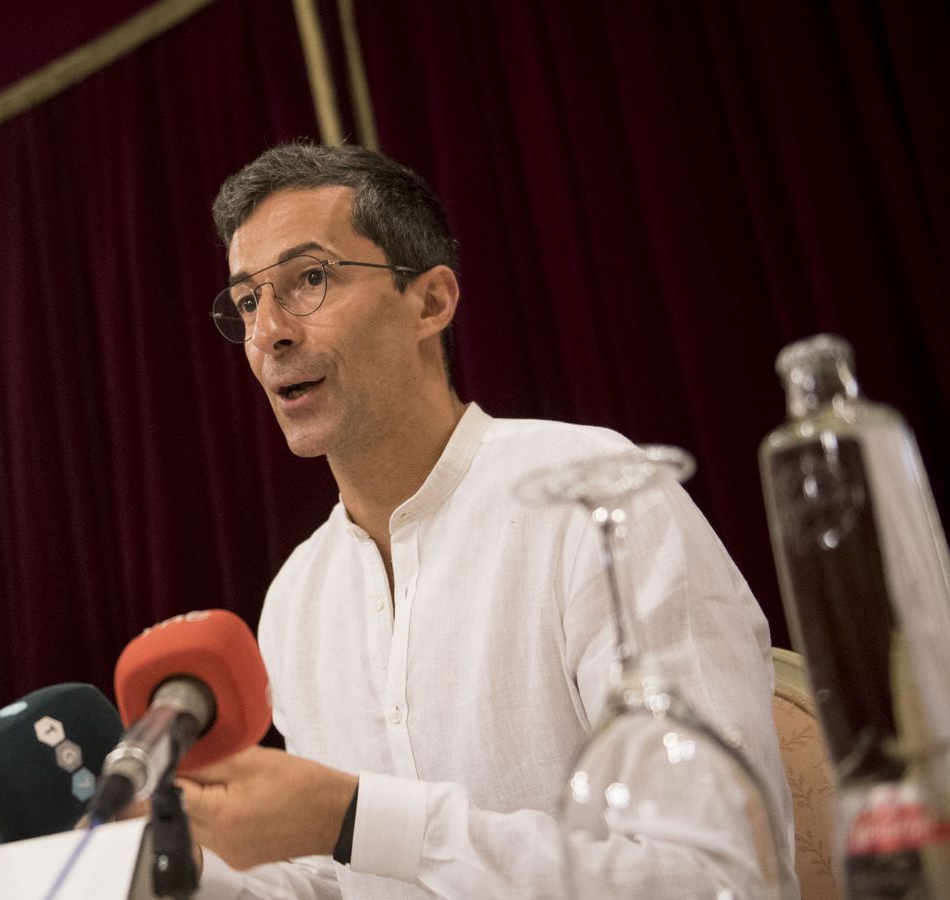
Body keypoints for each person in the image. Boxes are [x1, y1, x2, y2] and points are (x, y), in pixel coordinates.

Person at [177, 142, 795, 898]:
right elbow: (338, 883)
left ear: (431, 301)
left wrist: (358, 816)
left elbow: (723, 876)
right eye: (246, 301)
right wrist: (186, 876)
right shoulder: (295, 598)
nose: (269, 332)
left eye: (310, 279)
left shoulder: (598, 499)